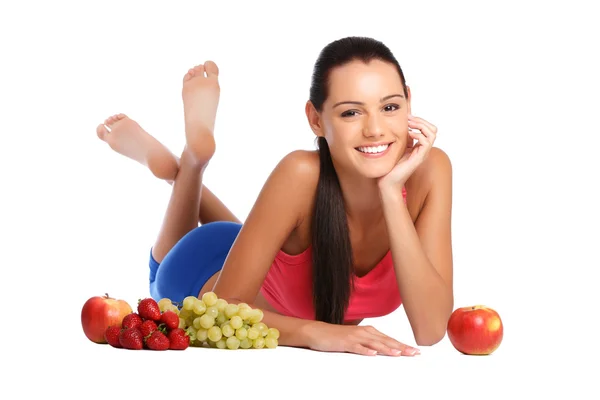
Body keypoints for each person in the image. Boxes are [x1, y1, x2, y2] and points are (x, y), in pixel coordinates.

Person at [96, 36, 453, 357]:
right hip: (199, 272)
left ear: (408, 101)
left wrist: (392, 193)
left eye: (389, 107)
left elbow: (431, 328)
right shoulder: (300, 172)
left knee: (253, 232)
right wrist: (316, 333)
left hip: (254, 250)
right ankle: (192, 162)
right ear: (316, 120)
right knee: (158, 276)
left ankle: (183, 169)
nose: (375, 129)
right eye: (351, 112)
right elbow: (218, 308)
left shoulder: (430, 169)